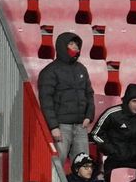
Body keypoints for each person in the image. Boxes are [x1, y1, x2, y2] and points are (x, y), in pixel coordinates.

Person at [37, 31, 95, 169]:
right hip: (62, 127)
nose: (75, 47)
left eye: (77, 44)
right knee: (57, 165)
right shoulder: (49, 71)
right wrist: (53, 127)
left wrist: (89, 115)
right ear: (62, 46)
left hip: (81, 126)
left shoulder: (82, 69)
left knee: (83, 166)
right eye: (71, 44)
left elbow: (89, 93)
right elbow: (46, 101)